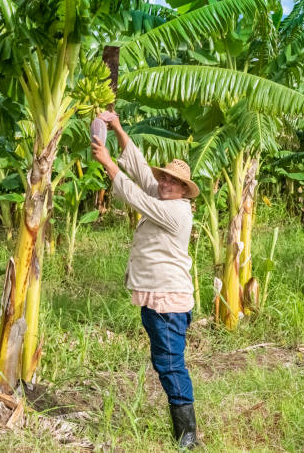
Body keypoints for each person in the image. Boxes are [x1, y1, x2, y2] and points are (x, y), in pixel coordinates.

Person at [91, 114, 202, 451]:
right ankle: (184, 430)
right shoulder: (166, 198)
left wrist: (108, 163)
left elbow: (135, 196)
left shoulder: (176, 211)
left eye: (172, 181)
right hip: (159, 299)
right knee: (166, 361)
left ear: (184, 190)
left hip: (167, 301)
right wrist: (120, 130)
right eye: (164, 178)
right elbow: (140, 171)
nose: (165, 183)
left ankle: (188, 436)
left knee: (170, 364)